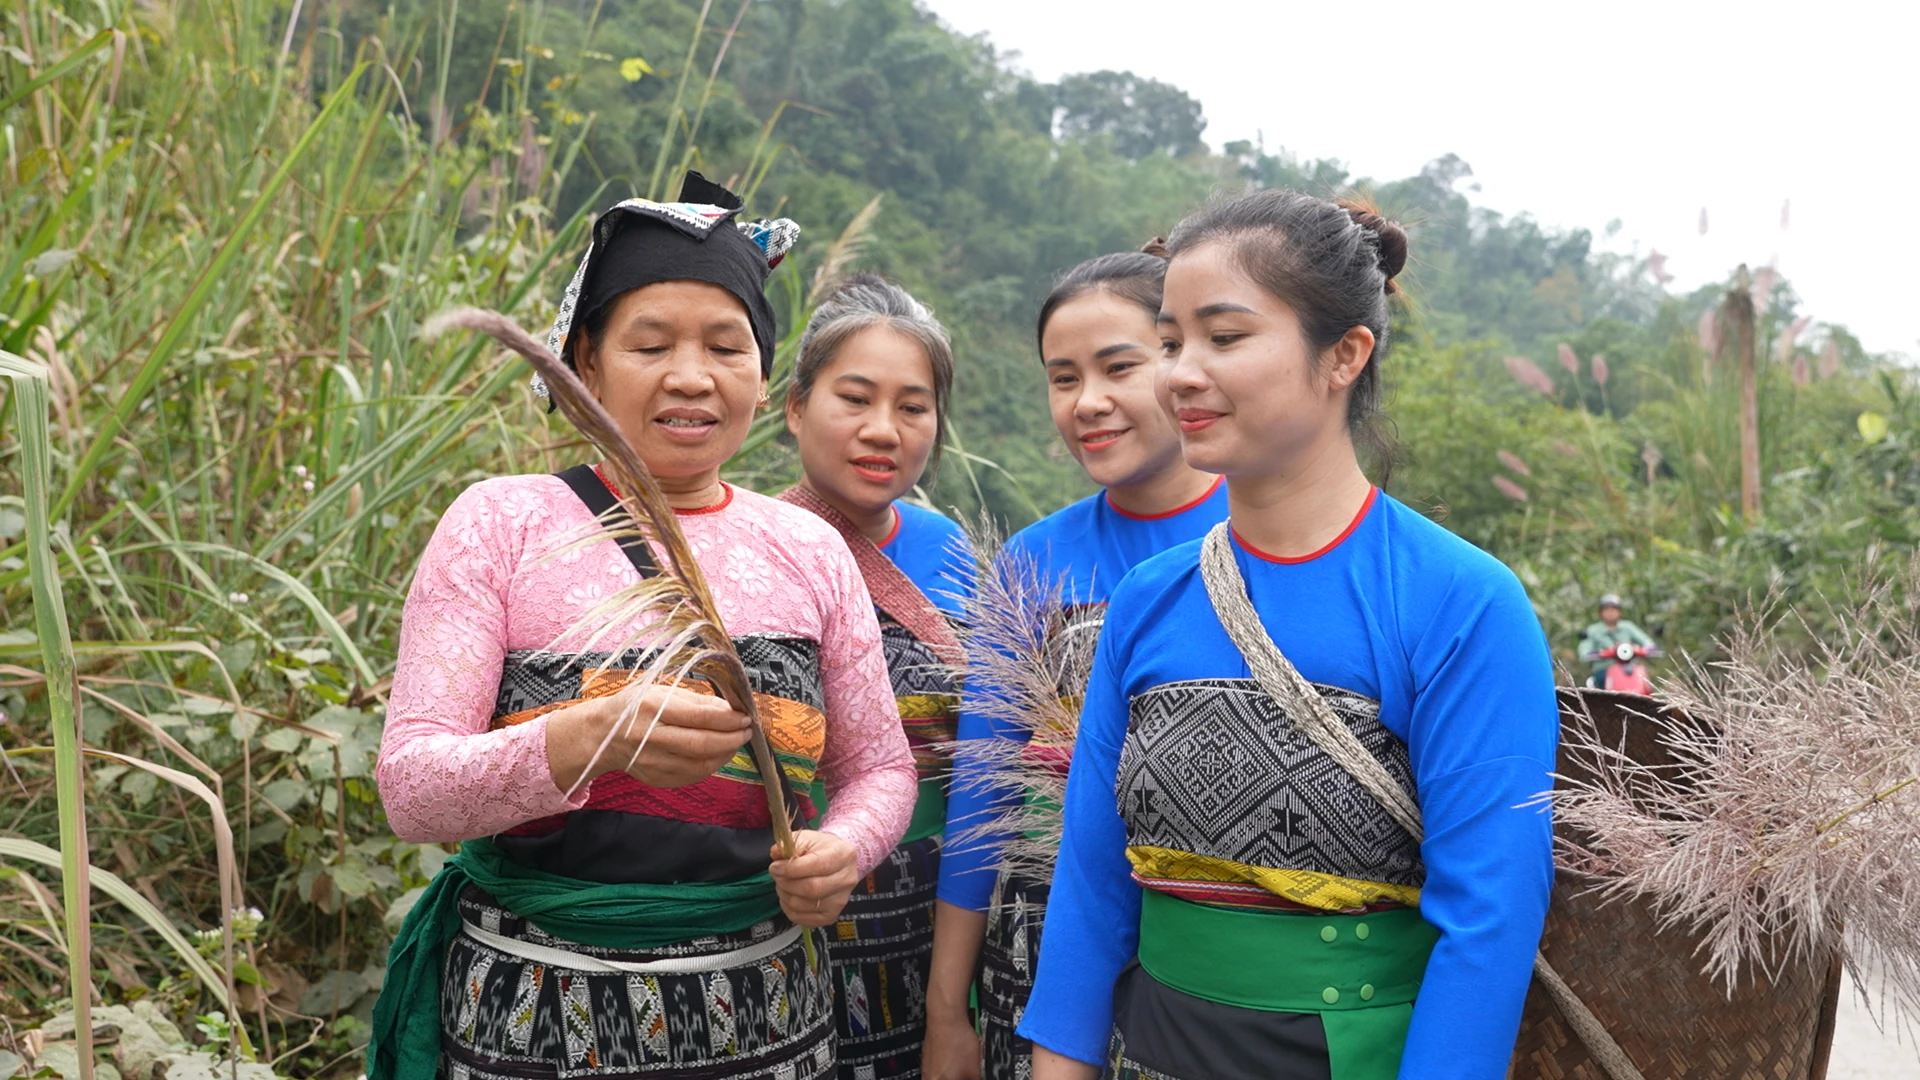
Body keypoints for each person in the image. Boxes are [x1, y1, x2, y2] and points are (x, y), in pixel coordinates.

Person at [369, 174, 918, 1080]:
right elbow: (412, 790)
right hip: (532, 1023)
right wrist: (586, 740)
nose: (692, 376)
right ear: (583, 362)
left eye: (727, 346)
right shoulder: (500, 524)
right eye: (650, 344)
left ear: (762, 368)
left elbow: (879, 768)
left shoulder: (809, 549)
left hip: (768, 1023)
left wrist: (846, 849)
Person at [1019, 192, 1558, 1080]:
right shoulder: (1151, 599)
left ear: (1344, 354)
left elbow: (1488, 923)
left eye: (1224, 338)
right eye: (1170, 341)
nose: (1181, 373)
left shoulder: (1459, 604)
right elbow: (1092, 881)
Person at [925, 251, 1230, 1080]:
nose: (1087, 402)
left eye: (1118, 367)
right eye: (1063, 378)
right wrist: (945, 1011)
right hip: (1037, 947)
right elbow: (979, 798)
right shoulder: (1032, 562)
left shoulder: (1268, 534)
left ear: (1182, 362)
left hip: (1215, 955)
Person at [778, 273, 973, 1080]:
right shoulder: (753, 549)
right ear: (795, 408)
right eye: (854, 398)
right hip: (798, 904)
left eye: (913, 406)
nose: (883, 430)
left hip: (944, 914)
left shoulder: (953, 548)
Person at [1578, 594, 1656, 688]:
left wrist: (1648, 648)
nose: (1610, 612)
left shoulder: (1628, 626)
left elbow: (1645, 640)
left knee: (1646, 683)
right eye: (1606, 609)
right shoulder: (1593, 630)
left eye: (1613, 609)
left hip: (1630, 668)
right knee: (1599, 688)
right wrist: (1592, 654)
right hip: (1604, 670)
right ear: (1601, 612)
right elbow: (1584, 650)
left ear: (1619, 612)